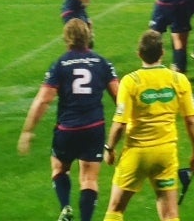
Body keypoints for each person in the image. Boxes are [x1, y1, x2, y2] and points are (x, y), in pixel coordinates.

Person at [17, 18, 119, 221]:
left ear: (67, 39)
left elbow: (43, 101)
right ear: (88, 37)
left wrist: (28, 131)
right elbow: (121, 98)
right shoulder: (102, 63)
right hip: (94, 128)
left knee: (59, 168)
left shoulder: (60, 65)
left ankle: (65, 207)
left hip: (68, 129)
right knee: (89, 179)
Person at [102, 30, 194, 221]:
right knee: (170, 215)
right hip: (165, 155)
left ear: (139, 54)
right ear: (162, 53)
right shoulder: (179, 80)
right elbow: (191, 121)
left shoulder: (130, 82)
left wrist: (110, 148)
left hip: (136, 154)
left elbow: (120, 123)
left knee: (115, 208)